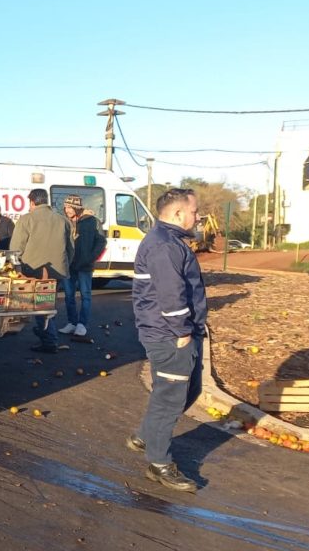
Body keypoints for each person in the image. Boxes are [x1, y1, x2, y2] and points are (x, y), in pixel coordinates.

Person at [125, 188, 207, 493]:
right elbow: (171, 296)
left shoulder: (169, 241)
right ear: (177, 214)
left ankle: (146, 435)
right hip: (169, 335)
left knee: (190, 389)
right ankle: (159, 464)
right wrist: (183, 331)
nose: (198, 217)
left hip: (173, 332)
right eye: (195, 211)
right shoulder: (164, 247)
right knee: (169, 398)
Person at [9, 188, 73, 354]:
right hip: (57, 270)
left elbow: (16, 249)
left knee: (41, 306)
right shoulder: (63, 220)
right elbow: (71, 249)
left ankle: (49, 340)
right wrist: (64, 265)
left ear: (32, 202)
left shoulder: (26, 220)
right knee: (47, 304)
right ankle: (44, 331)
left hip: (34, 270)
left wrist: (14, 269)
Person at [58, 194, 106, 338]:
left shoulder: (92, 221)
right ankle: (72, 322)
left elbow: (101, 241)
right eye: (66, 207)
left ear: (77, 208)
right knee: (68, 295)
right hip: (68, 264)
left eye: (70, 208)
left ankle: (82, 324)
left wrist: (91, 258)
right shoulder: (64, 222)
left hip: (85, 265)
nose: (68, 210)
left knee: (85, 295)